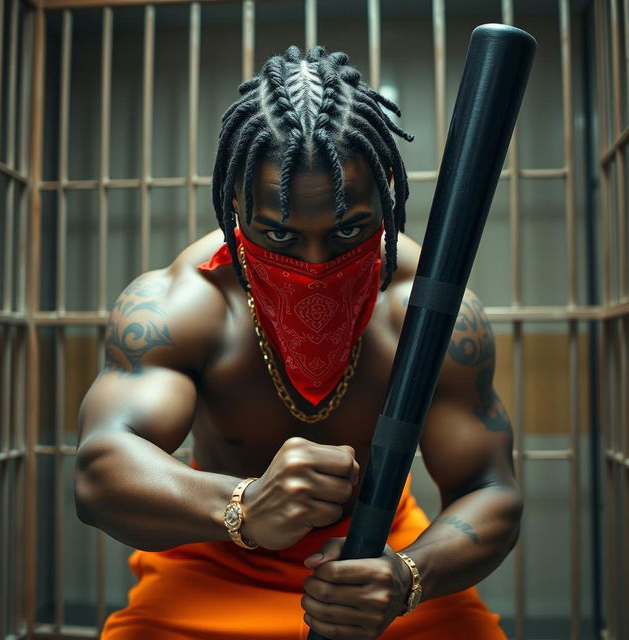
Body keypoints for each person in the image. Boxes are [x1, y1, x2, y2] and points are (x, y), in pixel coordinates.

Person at [75, 45, 521, 640]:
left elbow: (490, 490)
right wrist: (241, 506)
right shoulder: (184, 304)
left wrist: (407, 574)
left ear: (387, 193)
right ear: (236, 203)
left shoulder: (430, 312)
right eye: (279, 234)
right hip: (215, 564)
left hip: (376, 564)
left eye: (348, 230)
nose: (316, 262)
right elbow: (100, 469)